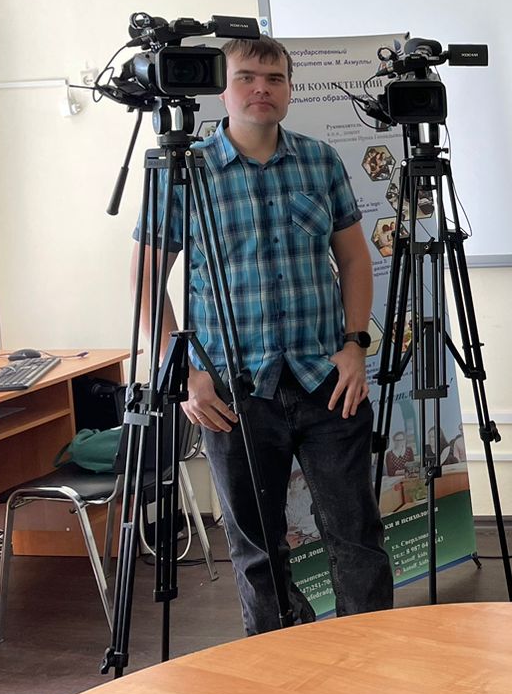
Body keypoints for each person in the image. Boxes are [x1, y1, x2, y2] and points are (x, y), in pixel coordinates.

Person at [132, 36, 394, 635]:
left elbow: (354, 259)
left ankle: (373, 651)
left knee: (356, 534)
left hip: (327, 380)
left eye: (274, 79)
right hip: (232, 389)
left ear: (289, 89)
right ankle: (275, 660)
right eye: (246, 77)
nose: (261, 89)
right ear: (222, 91)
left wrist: (355, 345)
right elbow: (147, 279)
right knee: (256, 547)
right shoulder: (186, 172)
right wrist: (186, 373)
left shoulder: (320, 160)